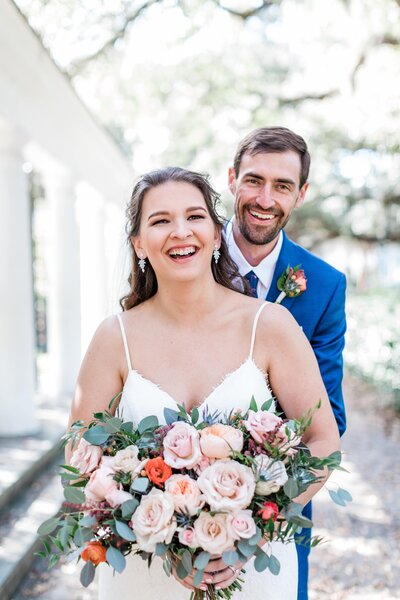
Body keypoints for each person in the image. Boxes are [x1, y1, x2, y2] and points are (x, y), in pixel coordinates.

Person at [67, 166, 340, 600]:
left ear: (216, 234)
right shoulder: (113, 338)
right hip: (144, 574)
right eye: (160, 221)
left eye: (195, 217)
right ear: (138, 243)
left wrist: (254, 531)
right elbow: (78, 458)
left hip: (253, 573)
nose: (181, 232)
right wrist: (154, 533)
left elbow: (323, 440)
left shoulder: (269, 326)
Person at [225, 126, 347, 600]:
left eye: (282, 186)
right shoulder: (188, 254)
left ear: (301, 195)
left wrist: (260, 503)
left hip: (276, 502)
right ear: (232, 178)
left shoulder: (323, 284)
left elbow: (327, 418)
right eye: (254, 180)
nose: (264, 198)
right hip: (175, 488)